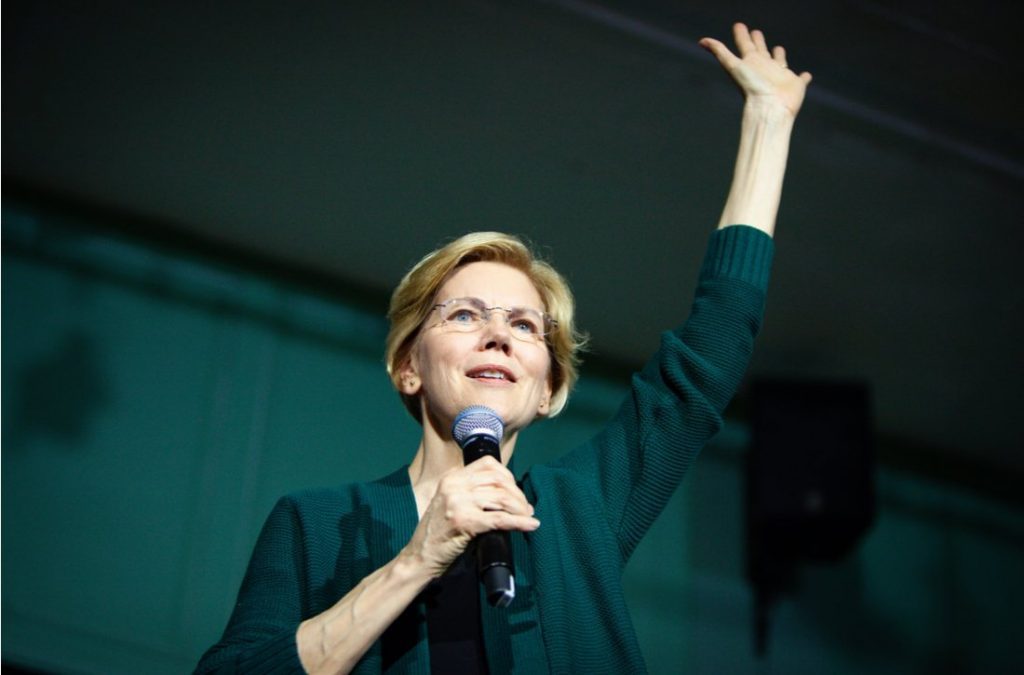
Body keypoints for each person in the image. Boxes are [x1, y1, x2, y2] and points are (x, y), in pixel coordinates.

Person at [195, 22, 812, 674]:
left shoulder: (580, 510)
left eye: (525, 326)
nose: (499, 333)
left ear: (547, 386)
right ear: (408, 365)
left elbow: (708, 356)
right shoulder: (317, 523)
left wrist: (768, 123)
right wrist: (415, 560)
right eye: (465, 313)